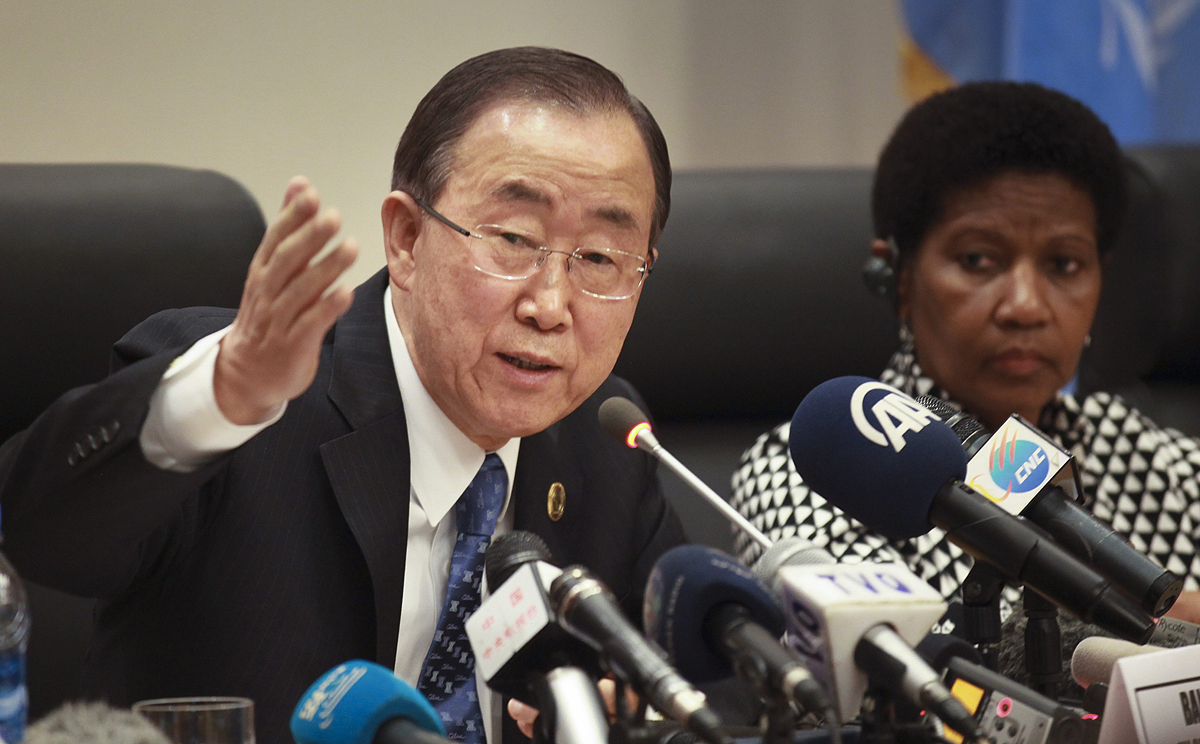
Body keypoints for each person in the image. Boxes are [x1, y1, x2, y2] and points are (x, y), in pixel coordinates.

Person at [0, 47, 685, 744]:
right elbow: (34, 537)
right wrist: (217, 400)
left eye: (600, 258)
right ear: (407, 239)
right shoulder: (240, 408)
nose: (550, 304)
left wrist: (635, 716)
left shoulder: (607, 449)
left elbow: (701, 692)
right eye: (513, 238)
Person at [732, 81, 1200, 622]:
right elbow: (896, 662)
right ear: (898, 276)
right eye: (978, 260)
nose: (1025, 306)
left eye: (1064, 265)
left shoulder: (1171, 470)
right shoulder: (811, 469)